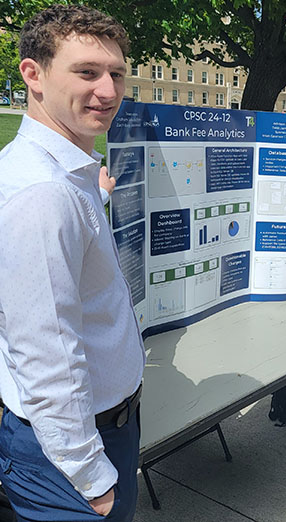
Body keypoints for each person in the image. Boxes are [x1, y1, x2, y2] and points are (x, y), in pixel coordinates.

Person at [0, 5, 145, 521]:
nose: (108, 91)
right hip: (70, 458)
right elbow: (46, 355)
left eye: (116, 74)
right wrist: (91, 477)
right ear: (33, 75)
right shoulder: (43, 196)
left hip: (101, 433)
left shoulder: (67, 182)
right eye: (87, 72)